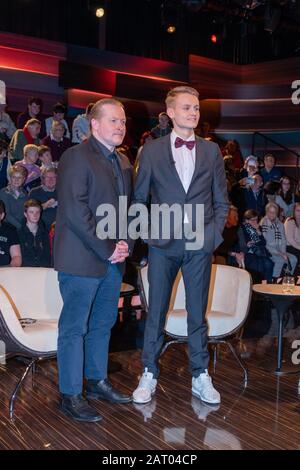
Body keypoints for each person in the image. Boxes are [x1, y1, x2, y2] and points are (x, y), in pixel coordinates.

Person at [132, 86, 229, 405]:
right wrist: (146, 233)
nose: (193, 113)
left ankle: (200, 374)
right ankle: (149, 372)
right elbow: (139, 198)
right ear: (170, 112)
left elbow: (221, 201)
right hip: (162, 243)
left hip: (200, 243)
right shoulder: (151, 150)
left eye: (197, 108)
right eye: (187, 108)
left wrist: (213, 237)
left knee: (197, 313)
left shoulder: (212, 151)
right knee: (156, 309)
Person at [54, 98, 133, 422]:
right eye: (113, 121)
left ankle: (96, 381)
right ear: (94, 125)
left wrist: (126, 241)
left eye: (123, 121)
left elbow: (126, 210)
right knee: (74, 328)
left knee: (102, 325)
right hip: (81, 260)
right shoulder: (76, 156)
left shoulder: (124, 161)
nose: (120, 126)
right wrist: (107, 248)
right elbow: (75, 210)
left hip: (113, 260)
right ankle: (70, 394)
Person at [260, 202, 297, 278]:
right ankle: (274, 280)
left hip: (280, 250)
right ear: (267, 212)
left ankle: (287, 278)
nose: (272, 214)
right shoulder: (263, 224)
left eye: (274, 212)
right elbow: (265, 244)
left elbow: (283, 240)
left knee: (293, 259)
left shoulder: (280, 224)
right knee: (280, 260)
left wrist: (283, 252)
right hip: (268, 251)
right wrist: (280, 254)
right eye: (270, 212)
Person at [18, 199, 51, 267]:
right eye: (31, 212)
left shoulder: (45, 233)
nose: (35, 215)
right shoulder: (18, 233)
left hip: (43, 269)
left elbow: (48, 255)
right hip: (25, 270)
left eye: (37, 212)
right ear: (25, 214)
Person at [0, 200, 22, 267]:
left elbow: (16, 256)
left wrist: (11, 269)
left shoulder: (10, 230)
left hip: (4, 269)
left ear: (2, 215)